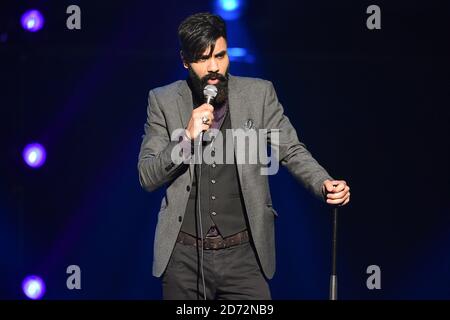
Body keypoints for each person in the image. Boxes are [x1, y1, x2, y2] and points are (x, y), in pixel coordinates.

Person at [138, 12, 350, 300]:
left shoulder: (258, 94)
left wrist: (323, 182)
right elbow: (148, 176)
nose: (214, 68)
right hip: (183, 258)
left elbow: (290, 149)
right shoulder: (162, 100)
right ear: (185, 61)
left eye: (221, 56)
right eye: (203, 59)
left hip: (244, 256)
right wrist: (186, 138)